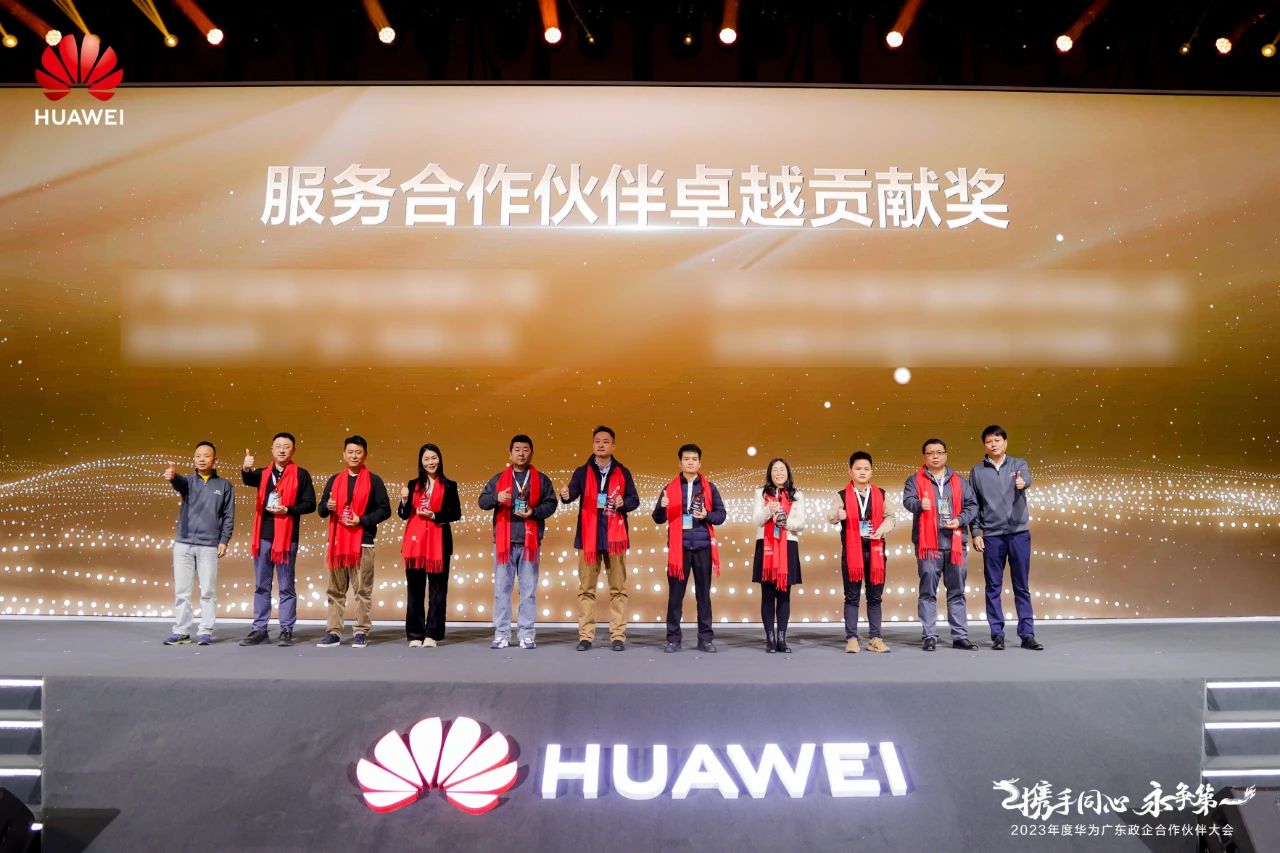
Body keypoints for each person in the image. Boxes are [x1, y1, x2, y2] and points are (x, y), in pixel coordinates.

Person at [558, 426, 641, 652]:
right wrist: (565, 495)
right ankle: (586, 636)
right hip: (588, 538)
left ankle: (618, 636)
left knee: (618, 589)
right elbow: (570, 495)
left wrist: (624, 503)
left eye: (606, 441)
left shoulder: (623, 472)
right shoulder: (582, 472)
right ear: (593, 445)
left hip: (615, 538)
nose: (601, 445)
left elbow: (634, 500)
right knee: (586, 589)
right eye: (597, 441)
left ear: (613, 446)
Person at [478, 434, 557, 650]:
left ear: (531, 452)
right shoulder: (498, 479)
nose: (521, 454)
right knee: (502, 591)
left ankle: (526, 634)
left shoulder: (541, 480)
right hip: (504, 544)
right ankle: (502, 634)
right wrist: (496, 498)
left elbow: (551, 504)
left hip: (530, 543)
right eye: (517, 449)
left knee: (528, 591)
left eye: (525, 449)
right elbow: (482, 501)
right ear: (510, 453)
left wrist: (533, 512)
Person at [902, 438, 979, 652]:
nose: (935, 456)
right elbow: (907, 501)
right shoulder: (914, 480)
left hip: (955, 544)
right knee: (927, 592)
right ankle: (929, 636)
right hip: (928, 546)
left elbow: (972, 505)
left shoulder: (959, 481)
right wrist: (919, 504)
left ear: (946, 454)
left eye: (939, 452)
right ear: (924, 456)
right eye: (930, 453)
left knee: (957, 592)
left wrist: (960, 520)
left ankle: (960, 636)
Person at [240, 433, 316, 647]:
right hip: (264, 536)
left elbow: (310, 504)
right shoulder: (263, 473)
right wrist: (246, 468)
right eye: (278, 446)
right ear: (272, 449)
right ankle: (259, 629)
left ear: (293, 450)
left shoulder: (301, 474)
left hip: (287, 538)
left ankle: (286, 629)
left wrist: (287, 509)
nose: (282, 450)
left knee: (286, 586)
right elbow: (248, 479)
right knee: (261, 585)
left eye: (287, 446)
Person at [971, 425, 1043, 651]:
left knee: (1021, 586)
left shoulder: (1018, 464)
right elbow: (974, 504)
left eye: (997, 440)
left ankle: (1027, 635)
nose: (993, 444)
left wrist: (1023, 483)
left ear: (1005, 442)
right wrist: (976, 533)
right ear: (984, 445)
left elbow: (1027, 479)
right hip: (992, 536)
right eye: (989, 441)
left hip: (1018, 533)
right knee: (993, 586)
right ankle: (997, 634)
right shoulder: (977, 471)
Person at [315, 435, 391, 649]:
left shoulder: (374, 480)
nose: (354, 456)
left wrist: (362, 520)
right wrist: (327, 506)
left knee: (362, 591)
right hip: (337, 543)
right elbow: (321, 509)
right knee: (334, 591)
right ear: (344, 454)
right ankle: (333, 631)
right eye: (350, 452)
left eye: (358, 452)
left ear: (365, 455)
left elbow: (385, 510)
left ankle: (361, 631)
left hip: (363, 543)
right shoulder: (334, 480)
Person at [653, 443, 727, 654]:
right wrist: (662, 507)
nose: (690, 462)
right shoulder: (669, 488)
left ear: (700, 463)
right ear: (680, 463)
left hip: (703, 548)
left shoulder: (709, 487)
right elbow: (657, 518)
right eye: (686, 459)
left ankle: (705, 639)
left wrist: (706, 515)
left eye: (694, 459)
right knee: (675, 597)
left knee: (703, 596)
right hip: (679, 549)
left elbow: (721, 515)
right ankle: (673, 639)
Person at [162, 441, 234, 646]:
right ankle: (181, 631)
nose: (202, 459)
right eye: (198, 456)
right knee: (182, 591)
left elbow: (228, 516)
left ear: (215, 459)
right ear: (194, 459)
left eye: (206, 456)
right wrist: (172, 476)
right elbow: (178, 483)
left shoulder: (224, 486)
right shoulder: (188, 482)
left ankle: (205, 631)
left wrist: (224, 540)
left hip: (209, 545)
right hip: (183, 544)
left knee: (208, 591)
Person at [397, 443, 462, 647]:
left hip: (439, 544)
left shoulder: (450, 485)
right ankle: (415, 634)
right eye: (426, 459)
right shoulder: (413, 484)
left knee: (438, 591)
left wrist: (434, 515)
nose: (430, 462)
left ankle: (432, 634)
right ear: (421, 462)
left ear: (440, 460)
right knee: (415, 591)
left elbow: (456, 513)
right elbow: (403, 514)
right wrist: (404, 500)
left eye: (434, 458)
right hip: (415, 545)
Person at [829, 451, 894, 654]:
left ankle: (875, 638)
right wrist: (837, 515)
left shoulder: (881, 494)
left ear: (871, 471)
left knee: (875, 598)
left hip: (876, 552)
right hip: (852, 554)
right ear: (850, 471)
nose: (862, 472)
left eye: (866, 468)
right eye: (858, 468)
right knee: (852, 597)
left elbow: (891, 517)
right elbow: (830, 517)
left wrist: (881, 530)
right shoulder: (841, 495)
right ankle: (852, 638)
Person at [751, 457, 806, 654]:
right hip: (766, 545)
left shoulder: (796, 494)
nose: (779, 473)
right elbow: (756, 521)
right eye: (775, 469)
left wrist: (785, 522)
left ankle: (782, 639)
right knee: (767, 594)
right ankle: (770, 638)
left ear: (788, 473)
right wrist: (768, 510)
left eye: (782, 469)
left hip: (788, 545)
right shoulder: (761, 492)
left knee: (784, 594)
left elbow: (801, 524)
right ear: (770, 473)